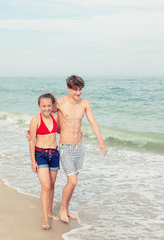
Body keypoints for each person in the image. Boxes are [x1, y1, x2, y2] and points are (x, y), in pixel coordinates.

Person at [56, 75, 107, 223]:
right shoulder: (59, 102)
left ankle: (66, 207)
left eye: (80, 89)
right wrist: (33, 133)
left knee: (74, 180)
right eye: (75, 90)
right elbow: (45, 115)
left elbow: (93, 122)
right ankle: (62, 210)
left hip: (79, 147)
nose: (78, 93)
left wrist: (101, 141)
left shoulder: (85, 103)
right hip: (65, 147)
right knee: (73, 181)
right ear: (68, 88)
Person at [28, 93, 61, 230]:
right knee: (46, 186)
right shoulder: (35, 119)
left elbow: (60, 131)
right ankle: (45, 219)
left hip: (54, 154)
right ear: (38, 106)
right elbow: (31, 141)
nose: (46, 108)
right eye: (43, 106)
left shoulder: (55, 116)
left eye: (49, 105)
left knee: (52, 184)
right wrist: (33, 161)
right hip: (40, 154)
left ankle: (50, 212)